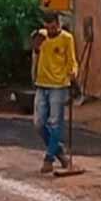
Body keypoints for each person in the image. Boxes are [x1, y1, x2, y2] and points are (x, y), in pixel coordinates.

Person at [32, 11, 78, 173]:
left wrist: (73, 73)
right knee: (38, 123)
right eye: (47, 27)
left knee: (55, 122)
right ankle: (59, 151)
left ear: (58, 24)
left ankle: (49, 158)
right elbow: (34, 50)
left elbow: (72, 60)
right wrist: (35, 46)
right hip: (41, 83)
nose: (50, 30)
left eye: (53, 27)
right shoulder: (41, 36)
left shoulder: (67, 38)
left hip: (59, 85)